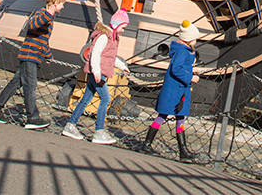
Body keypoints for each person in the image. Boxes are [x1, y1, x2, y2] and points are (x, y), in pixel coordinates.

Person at [0, 0, 68, 129]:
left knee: (15, 83)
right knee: (30, 86)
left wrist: (48, 55)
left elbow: (43, 40)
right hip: (30, 55)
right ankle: (32, 117)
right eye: (62, 3)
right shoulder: (43, 13)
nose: (63, 7)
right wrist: (48, 14)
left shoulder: (48, 18)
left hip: (33, 54)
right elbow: (32, 25)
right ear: (55, 3)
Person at [62, 9, 130, 144]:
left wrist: (122, 66)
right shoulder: (105, 37)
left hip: (99, 72)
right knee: (105, 99)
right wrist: (97, 71)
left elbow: (110, 57)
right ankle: (99, 131)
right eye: (123, 27)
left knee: (86, 98)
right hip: (98, 73)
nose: (123, 30)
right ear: (117, 25)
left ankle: (71, 124)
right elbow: (96, 53)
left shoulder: (112, 38)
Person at [139, 19, 201, 162]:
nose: (196, 42)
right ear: (188, 39)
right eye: (195, 40)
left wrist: (191, 69)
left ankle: (183, 151)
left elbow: (180, 67)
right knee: (163, 116)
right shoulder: (183, 52)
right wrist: (190, 77)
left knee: (180, 118)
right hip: (176, 91)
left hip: (178, 90)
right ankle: (147, 144)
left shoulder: (183, 50)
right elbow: (176, 69)